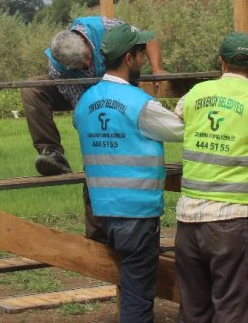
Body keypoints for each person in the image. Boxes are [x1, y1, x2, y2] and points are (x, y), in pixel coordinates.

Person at [173, 32, 248, 323]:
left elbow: (177, 118)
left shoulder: (196, 94)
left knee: (193, 312)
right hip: (235, 221)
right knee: (236, 312)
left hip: (189, 220)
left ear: (221, 62)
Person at [73, 24, 183, 323]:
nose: (145, 59)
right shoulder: (140, 104)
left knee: (126, 281)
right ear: (129, 58)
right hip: (136, 211)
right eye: (141, 53)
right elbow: (180, 129)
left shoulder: (85, 101)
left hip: (101, 211)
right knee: (138, 291)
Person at [21, 15, 165, 176]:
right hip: (86, 93)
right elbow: (81, 106)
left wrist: (157, 69)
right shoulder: (58, 67)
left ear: (83, 41)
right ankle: (53, 154)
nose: (87, 65)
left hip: (119, 88)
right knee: (32, 87)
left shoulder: (104, 27)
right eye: (79, 67)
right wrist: (96, 143)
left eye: (87, 58)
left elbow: (147, 38)